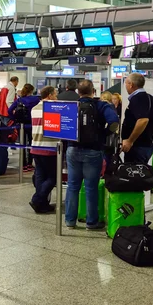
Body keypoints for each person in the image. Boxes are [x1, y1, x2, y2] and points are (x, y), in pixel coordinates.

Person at [65, 80, 119, 230]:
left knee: (72, 186)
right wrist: (104, 133)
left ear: (78, 92)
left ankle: (70, 221)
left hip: (73, 149)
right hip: (93, 151)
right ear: (93, 91)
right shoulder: (101, 105)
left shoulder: (72, 105)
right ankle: (91, 222)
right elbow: (114, 122)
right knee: (91, 187)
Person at [29, 86, 58, 214]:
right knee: (53, 177)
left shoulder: (34, 109)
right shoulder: (54, 108)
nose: (56, 97)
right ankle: (37, 199)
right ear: (50, 95)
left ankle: (42, 205)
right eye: (55, 95)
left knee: (40, 176)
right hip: (49, 147)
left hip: (35, 146)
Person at [121, 73, 153, 164]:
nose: (125, 86)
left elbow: (143, 120)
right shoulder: (151, 98)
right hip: (144, 145)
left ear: (131, 84)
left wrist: (130, 140)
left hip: (138, 147)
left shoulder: (139, 98)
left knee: (134, 175)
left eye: (126, 83)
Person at [8, 83, 40, 172]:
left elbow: (10, 110)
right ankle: (30, 163)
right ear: (31, 91)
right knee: (31, 143)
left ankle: (23, 165)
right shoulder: (36, 100)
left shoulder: (19, 100)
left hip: (20, 125)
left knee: (22, 144)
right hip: (32, 124)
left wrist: (14, 119)